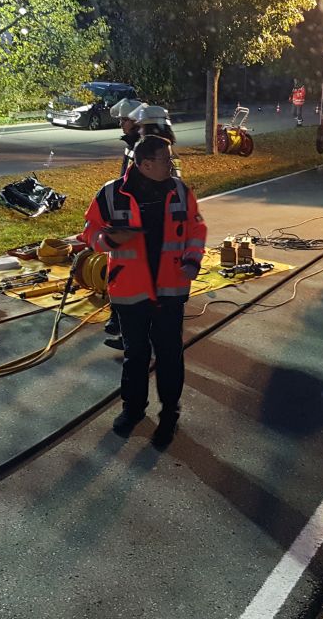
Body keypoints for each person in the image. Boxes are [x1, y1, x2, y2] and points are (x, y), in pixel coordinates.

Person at [81, 135, 207, 449]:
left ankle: (169, 414)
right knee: (135, 354)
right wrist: (108, 242)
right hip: (129, 290)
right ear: (145, 164)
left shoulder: (180, 191)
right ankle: (133, 410)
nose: (172, 163)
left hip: (170, 289)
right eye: (166, 159)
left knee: (168, 355)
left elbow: (196, 229)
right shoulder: (110, 194)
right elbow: (90, 231)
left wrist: (192, 261)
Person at [103, 98, 146, 351]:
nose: (121, 124)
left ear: (136, 121)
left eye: (124, 120)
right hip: (126, 218)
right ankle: (118, 321)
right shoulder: (132, 144)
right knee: (120, 276)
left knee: (132, 282)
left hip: (137, 223)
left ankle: (131, 336)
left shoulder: (144, 147)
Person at [130, 104, 182, 177]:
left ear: (150, 129)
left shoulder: (165, 155)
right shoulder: (170, 152)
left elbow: (175, 181)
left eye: (141, 127)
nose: (139, 131)